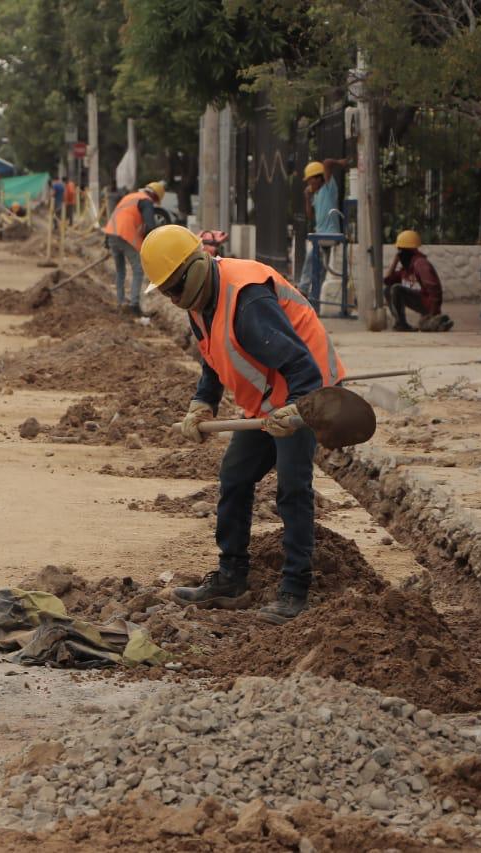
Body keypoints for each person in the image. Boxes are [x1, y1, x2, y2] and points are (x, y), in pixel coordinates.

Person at [140, 224, 345, 624]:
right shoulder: (199, 302)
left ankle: (295, 589)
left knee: (292, 488)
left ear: (195, 269)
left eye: (174, 289)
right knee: (234, 477)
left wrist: (301, 410)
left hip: (307, 390)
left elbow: (301, 363)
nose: (173, 299)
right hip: (269, 399)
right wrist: (202, 403)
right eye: (165, 292)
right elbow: (212, 356)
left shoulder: (248, 301)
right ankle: (232, 577)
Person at [102, 181, 165, 316]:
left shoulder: (130, 197)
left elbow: (115, 215)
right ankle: (134, 305)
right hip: (125, 235)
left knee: (120, 270)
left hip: (112, 233)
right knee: (138, 269)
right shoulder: (146, 201)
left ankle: (120, 302)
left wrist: (106, 240)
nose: (153, 203)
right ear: (154, 196)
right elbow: (150, 226)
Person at [301, 158, 349, 303]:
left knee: (311, 258)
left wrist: (340, 164)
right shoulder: (316, 195)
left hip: (329, 233)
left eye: (310, 180)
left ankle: (303, 288)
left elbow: (327, 163)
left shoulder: (328, 188)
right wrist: (307, 199)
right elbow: (310, 216)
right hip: (321, 235)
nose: (309, 184)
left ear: (318, 178)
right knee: (320, 266)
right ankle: (315, 296)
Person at [383, 230, 451, 331]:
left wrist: (433, 312)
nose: (399, 254)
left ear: (409, 251)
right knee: (388, 290)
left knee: (396, 289)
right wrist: (395, 261)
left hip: (427, 304)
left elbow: (434, 289)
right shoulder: (406, 269)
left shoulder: (420, 264)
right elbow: (387, 280)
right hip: (419, 302)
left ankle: (435, 321)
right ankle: (401, 324)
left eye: (401, 251)